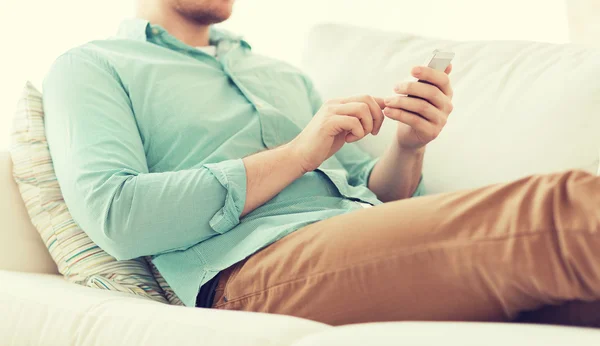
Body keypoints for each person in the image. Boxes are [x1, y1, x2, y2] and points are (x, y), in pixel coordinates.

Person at [42, 0, 600, 327]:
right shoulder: (91, 66)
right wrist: (298, 153)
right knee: (561, 207)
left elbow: (372, 194)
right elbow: (118, 216)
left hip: (353, 234)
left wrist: (408, 146)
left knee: (575, 302)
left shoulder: (280, 75)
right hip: (251, 270)